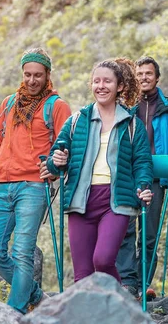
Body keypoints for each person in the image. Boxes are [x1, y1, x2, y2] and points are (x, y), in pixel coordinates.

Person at [0, 48, 71, 313]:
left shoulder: (57, 106)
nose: (32, 80)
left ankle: (14, 312)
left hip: (33, 187)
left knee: (22, 252)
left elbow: (66, 147)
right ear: (22, 73)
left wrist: (53, 170)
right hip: (2, 187)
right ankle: (36, 296)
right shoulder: (9, 103)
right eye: (28, 74)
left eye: (38, 75)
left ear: (47, 75)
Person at [43, 59, 154, 284]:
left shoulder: (132, 124)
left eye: (107, 81)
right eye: (96, 81)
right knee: (82, 276)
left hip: (116, 200)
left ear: (120, 86)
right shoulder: (76, 120)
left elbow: (142, 163)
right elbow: (54, 161)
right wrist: (58, 160)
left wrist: (143, 187)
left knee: (102, 261)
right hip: (81, 200)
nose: (101, 86)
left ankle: (121, 301)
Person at [115, 56, 168, 299]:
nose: (143, 78)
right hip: (128, 174)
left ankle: (143, 282)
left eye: (148, 74)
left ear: (157, 77)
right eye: (139, 74)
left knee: (149, 234)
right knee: (125, 230)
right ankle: (128, 282)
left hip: (158, 176)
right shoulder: (126, 106)